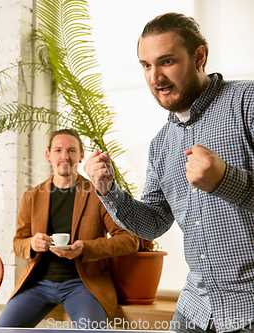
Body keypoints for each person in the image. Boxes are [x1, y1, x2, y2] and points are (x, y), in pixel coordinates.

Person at [85, 12, 254, 333]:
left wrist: (225, 181)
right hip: (196, 306)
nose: (154, 77)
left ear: (199, 57)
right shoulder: (161, 144)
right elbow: (153, 224)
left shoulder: (248, 102)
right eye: (146, 65)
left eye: (166, 61)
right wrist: (109, 191)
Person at [0, 129, 139, 329]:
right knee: (0, 330)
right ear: (49, 156)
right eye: (58, 150)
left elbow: (129, 240)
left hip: (83, 284)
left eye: (71, 150)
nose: (64, 156)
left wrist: (85, 248)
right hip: (37, 284)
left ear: (81, 155)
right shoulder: (32, 196)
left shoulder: (99, 194)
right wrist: (32, 243)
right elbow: (18, 243)